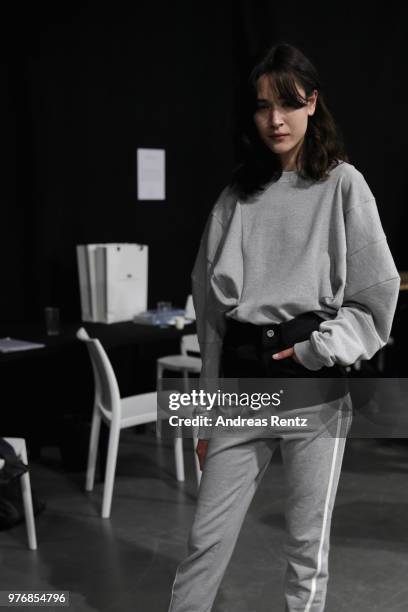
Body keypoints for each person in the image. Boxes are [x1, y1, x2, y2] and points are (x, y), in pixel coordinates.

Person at [167, 42, 400, 612]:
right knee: (205, 540)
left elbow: (376, 296)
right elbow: (210, 314)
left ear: (313, 104)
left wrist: (319, 351)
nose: (275, 119)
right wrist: (206, 406)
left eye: (289, 104)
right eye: (263, 106)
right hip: (243, 390)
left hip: (313, 393)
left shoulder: (344, 185)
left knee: (304, 550)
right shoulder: (237, 196)